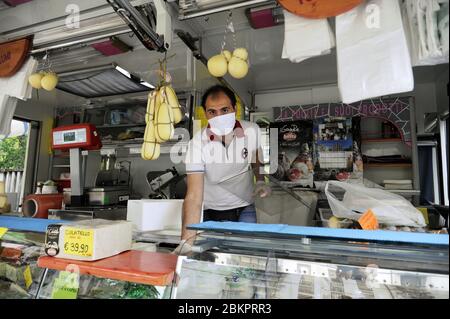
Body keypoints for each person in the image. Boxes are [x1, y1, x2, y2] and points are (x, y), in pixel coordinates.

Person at [175, 85, 271, 254]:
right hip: (211, 211)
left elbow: (257, 158)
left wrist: (260, 179)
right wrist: (186, 243)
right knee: (216, 260)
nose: (219, 116)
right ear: (206, 114)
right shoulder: (197, 144)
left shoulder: (252, 130)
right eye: (212, 112)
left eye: (225, 110)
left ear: (235, 109)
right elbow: (194, 196)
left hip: (244, 207)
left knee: (246, 256)